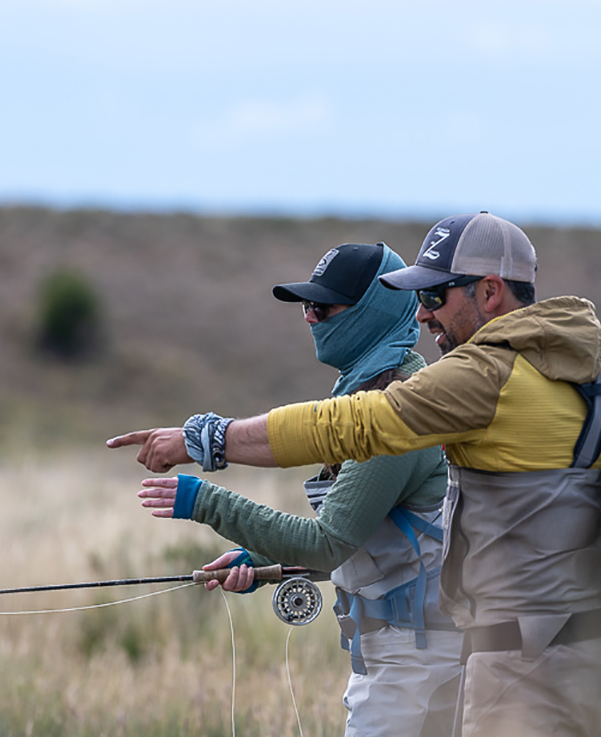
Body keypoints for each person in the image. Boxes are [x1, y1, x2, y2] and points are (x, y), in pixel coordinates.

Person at [109, 212, 601, 737]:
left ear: (489, 291)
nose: (424, 315)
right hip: (597, 654)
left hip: (519, 665)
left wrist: (209, 442)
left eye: (435, 296)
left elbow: (350, 427)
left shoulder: (484, 374)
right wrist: (268, 556)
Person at [136, 242, 463, 737]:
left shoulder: (398, 411)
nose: (310, 319)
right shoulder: (369, 392)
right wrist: (264, 562)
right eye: (306, 307)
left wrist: (203, 501)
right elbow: (383, 539)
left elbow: (328, 542)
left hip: (418, 669)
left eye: (323, 307)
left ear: (373, 311)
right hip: (402, 659)